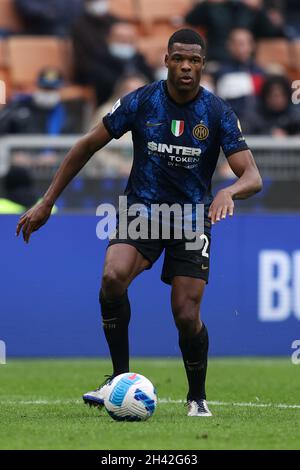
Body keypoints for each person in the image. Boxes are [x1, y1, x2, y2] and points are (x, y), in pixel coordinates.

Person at [16, 29, 262, 417]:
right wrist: (47, 202)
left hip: (191, 217)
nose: (186, 66)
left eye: (194, 60)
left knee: (185, 314)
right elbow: (86, 145)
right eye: (179, 58)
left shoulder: (217, 112)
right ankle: (118, 379)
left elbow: (252, 176)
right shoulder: (142, 101)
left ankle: (196, 397)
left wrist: (229, 192)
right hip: (142, 211)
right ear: (166, 60)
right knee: (113, 277)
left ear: (202, 65)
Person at [216, 28, 265, 122]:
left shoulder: (260, 72)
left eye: (244, 43)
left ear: (252, 46)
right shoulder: (221, 72)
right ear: (229, 46)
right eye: (237, 43)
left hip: (259, 124)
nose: (241, 47)